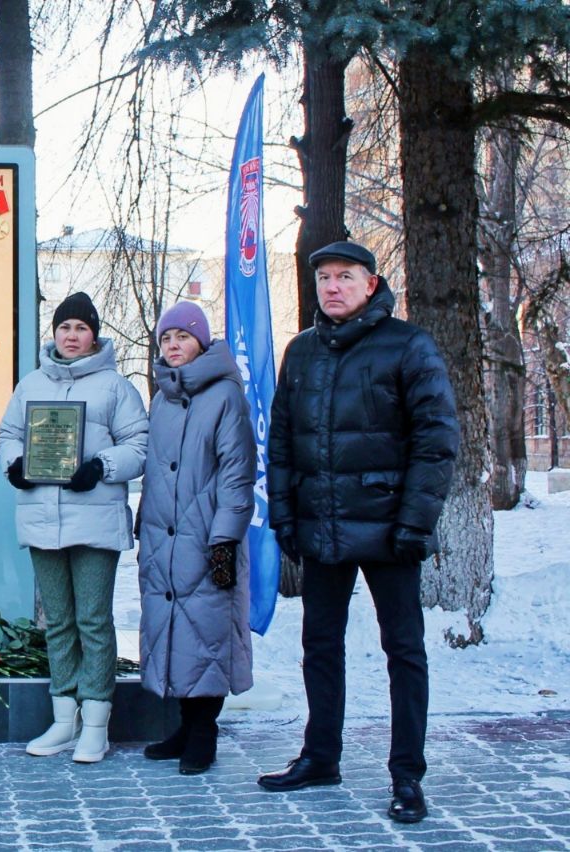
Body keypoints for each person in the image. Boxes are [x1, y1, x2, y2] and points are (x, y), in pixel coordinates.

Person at [259, 241, 459, 824]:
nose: (332, 286)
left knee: (404, 651)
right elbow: (282, 443)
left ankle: (408, 775)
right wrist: (285, 515)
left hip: (391, 529)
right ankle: (320, 757)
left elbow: (436, 439)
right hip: (322, 529)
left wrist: (414, 523)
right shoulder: (301, 353)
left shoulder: (408, 346)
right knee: (320, 647)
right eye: (323, 277)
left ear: (371, 285)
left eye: (345, 276)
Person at [0, 292, 148, 763]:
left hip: (95, 521)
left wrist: (101, 466)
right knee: (58, 622)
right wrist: (14, 465)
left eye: (81, 328)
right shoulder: (31, 383)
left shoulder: (115, 387)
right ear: (55, 332)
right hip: (42, 520)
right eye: (65, 327)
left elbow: (139, 444)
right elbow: (8, 435)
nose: (71, 336)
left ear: (94, 335)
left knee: (93, 621)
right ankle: (64, 720)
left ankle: (96, 723)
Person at [136, 302, 255, 775]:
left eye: (183, 338)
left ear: (202, 342)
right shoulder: (162, 398)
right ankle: (186, 726)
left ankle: (205, 731)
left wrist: (225, 537)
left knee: (207, 628)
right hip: (165, 535)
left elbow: (236, 473)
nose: (174, 346)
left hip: (207, 535)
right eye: (167, 339)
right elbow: (152, 471)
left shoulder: (226, 396)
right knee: (175, 629)